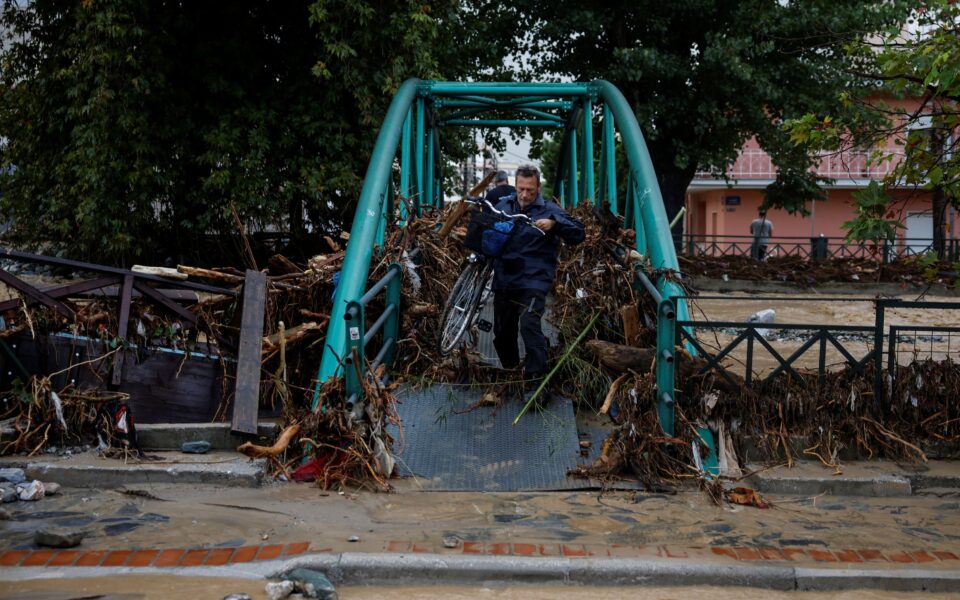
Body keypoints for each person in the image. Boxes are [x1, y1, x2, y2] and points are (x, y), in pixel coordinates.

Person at [490, 164, 585, 393]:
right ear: (515, 185)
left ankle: (536, 380)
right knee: (502, 331)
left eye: (530, 190)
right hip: (505, 278)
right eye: (521, 189)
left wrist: (555, 224)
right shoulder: (504, 206)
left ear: (538, 188)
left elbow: (579, 233)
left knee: (529, 325)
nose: (524, 195)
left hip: (534, 279)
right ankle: (513, 373)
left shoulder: (549, 209)